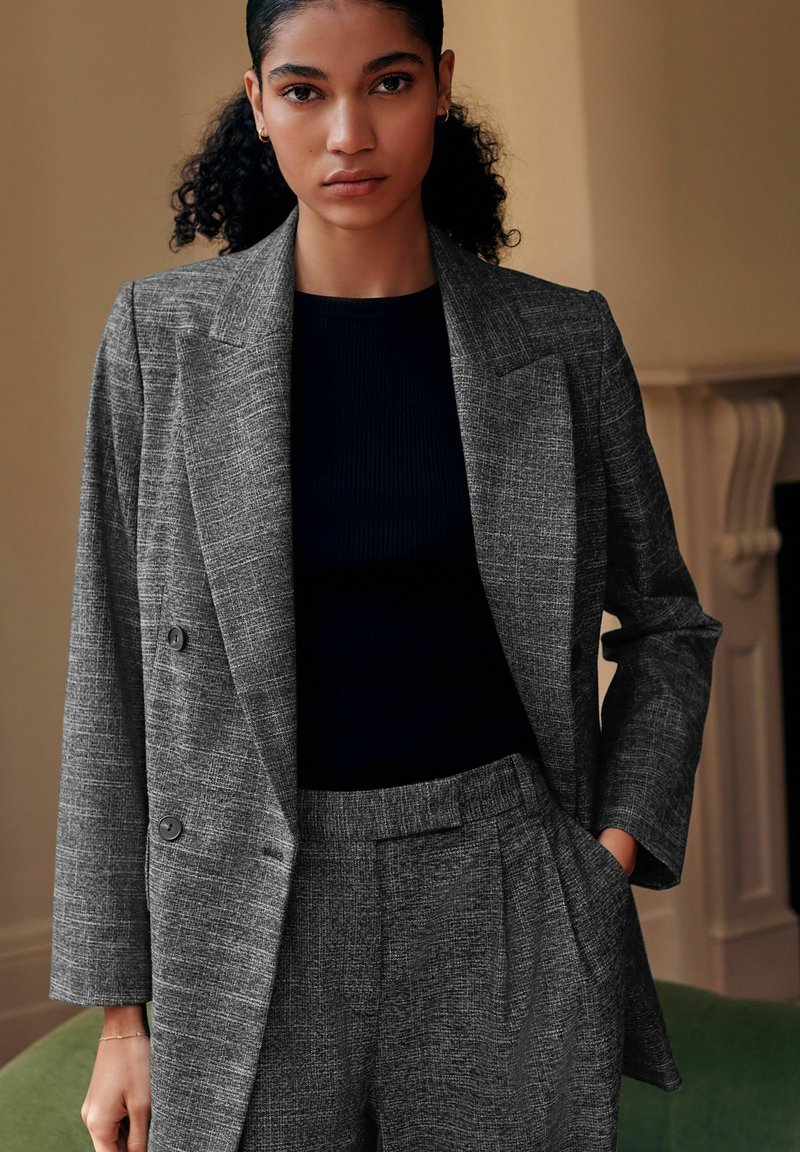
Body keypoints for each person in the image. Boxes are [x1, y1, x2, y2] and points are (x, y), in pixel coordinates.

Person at [49, 1, 723, 1150]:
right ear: (257, 102)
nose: (347, 132)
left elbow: (667, 622)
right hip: (244, 903)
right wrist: (121, 1016)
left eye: (389, 82)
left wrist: (602, 857)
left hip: (502, 889)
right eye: (304, 90)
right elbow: (110, 667)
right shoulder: (161, 337)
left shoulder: (560, 338)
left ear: (441, 85)